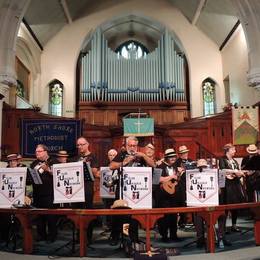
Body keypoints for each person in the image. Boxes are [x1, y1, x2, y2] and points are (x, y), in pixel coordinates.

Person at [109, 136, 154, 245]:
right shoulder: (122, 154)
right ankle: (117, 237)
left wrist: (143, 155)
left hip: (137, 190)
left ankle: (134, 238)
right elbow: (111, 166)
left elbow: (153, 165)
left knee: (134, 215)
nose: (132, 147)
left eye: (134, 145)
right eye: (130, 145)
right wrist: (124, 162)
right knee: (120, 214)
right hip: (122, 190)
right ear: (126, 145)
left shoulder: (141, 155)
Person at [218, 143, 245, 248]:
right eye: (233, 149)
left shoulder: (234, 161)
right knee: (226, 206)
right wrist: (234, 171)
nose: (235, 151)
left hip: (235, 184)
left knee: (235, 205)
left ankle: (233, 225)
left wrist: (240, 173)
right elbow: (222, 170)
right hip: (227, 186)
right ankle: (222, 230)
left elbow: (236, 171)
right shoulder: (222, 159)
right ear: (227, 150)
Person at [30, 144, 58, 242]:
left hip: (49, 193)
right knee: (39, 216)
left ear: (45, 152)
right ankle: (41, 235)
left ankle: (52, 236)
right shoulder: (33, 164)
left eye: (39, 151)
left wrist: (48, 170)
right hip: (37, 193)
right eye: (36, 151)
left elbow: (59, 175)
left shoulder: (54, 161)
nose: (36, 153)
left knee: (50, 216)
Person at [157, 148, 183, 242]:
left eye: (174, 157)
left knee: (174, 216)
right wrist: (171, 177)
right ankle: (164, 236)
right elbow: (158, 179)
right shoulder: (160, 166)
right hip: (163, 196)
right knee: (165, 216)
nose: (173, 158)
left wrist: (179, 176)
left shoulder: (176, 167)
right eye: (171, 157)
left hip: (174, 195)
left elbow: (177, 180)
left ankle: (173, 235)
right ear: (166, 158)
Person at [175, 145, 195, 228]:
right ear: (180, 154)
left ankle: (193, 221)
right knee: (182, 202)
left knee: (193, 202)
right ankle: (182, 221)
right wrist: (179, 171)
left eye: (186, 152)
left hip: (191, 184)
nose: (185, 154)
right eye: (183, 153)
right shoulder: (176, 162)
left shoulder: (191, 161)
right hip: (181, 185)